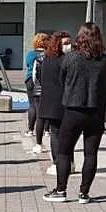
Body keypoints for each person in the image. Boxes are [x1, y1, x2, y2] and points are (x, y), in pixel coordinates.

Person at [44, 24, 106, 204]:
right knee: (91, 153)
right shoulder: (105, 60)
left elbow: (62, 80)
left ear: (80, 37)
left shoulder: (71, 58)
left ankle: (61, 190)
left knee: (64, 151)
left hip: (73, 109)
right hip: (95, 111)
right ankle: (84, 193)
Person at [38, 32, 69, 172]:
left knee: (55, 134)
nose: (69, 46)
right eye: (66, 43)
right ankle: (63, 163)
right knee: (62, 134)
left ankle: (58, 163)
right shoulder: (64, 60)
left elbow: (41, 78)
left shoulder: (46, 59)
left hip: (49, 102)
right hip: (62, 101)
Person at [25, 33, 48, 138]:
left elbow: (28, 65)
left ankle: (30, 130)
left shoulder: (31, 54)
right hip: (45, 81)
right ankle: (46, 130)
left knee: (32, 105)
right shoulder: (48, 54)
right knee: (45, 105)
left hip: (30, 80)